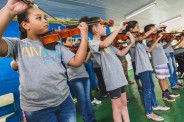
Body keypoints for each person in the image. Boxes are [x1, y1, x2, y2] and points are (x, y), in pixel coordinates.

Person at [0, 0, 88, 122]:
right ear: (26, 25)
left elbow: (77, 62)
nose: (45, 20)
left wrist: (84, 37)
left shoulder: (56, 45)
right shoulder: (19, 45)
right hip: (37, 109)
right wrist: (9, 10)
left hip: (64, 101)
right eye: (39, 18)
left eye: (45, 17)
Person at [82, 16, 135, 122]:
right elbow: (104, 44)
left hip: (120, 76)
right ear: (96, 29)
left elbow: (120, 53)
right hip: (112, 79)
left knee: (124, 103)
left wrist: (132, 43)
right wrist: (119, 28)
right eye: (103, 25)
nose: (105, 27)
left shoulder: (108, 44)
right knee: (117, 107)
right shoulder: (93, 43)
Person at [126, 21, 170, 121]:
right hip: (142, 68)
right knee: (147, 90)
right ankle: (149, 112)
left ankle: (154, 106)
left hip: (147, 66)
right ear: (131, 30)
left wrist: (158, 38)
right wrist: (155, 28)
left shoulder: (139, 41)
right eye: (137, 27)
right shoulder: (130, 40)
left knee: (151, 87)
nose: (139, 28)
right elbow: (141, 38)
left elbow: (149, 50)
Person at [62, 37, 96, 122]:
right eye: (69, 40)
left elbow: (85, 62)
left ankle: (92, 119)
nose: (72, 42)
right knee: (82, 100)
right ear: (63, 43)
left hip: (85, 76)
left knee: (88, 99)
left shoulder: (76, 50)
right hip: (75, 78)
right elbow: (74, 63)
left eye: (72, 40)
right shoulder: (64, 52)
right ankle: (87, 120)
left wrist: (89, 51)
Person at [145, 24, 180, 102]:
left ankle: (167, 91)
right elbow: (150, 44)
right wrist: (158, 36)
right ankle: (164, 94)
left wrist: (169, 38)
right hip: (158, 61)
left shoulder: (157, 38)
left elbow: (163, 47)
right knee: (161, 78)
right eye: (154, 29)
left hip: (163, 60)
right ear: (149, 31)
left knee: (164, 78)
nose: (156, 30)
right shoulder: (148, 39)